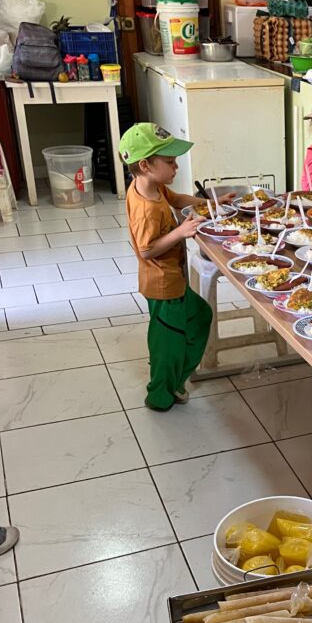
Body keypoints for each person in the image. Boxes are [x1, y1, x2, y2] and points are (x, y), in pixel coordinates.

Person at [119, 123, 220, 412]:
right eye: (170, 161)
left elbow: (176, 200)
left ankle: (177, 378)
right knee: (167, 345)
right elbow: (146, 249)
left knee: (200, 316)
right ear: (145, 165)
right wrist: (180, 232)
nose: (176, 166)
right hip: (163, 285)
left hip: (172, 280)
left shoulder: (151, 186)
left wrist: (208, 203)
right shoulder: (147, 209)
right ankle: (160, 396)